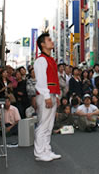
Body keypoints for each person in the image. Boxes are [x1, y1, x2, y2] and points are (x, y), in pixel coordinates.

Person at [34, 33, 61, 162]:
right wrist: (46, 96)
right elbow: (40, 80)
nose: (52, 41)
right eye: (49, 40)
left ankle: (46, 150)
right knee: (43, 124)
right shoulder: (41, 60)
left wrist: (56, 95)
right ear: (42, 44)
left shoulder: (50, 60)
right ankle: (39, 152)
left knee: (49, 125)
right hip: (46, 95)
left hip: (51, 94)